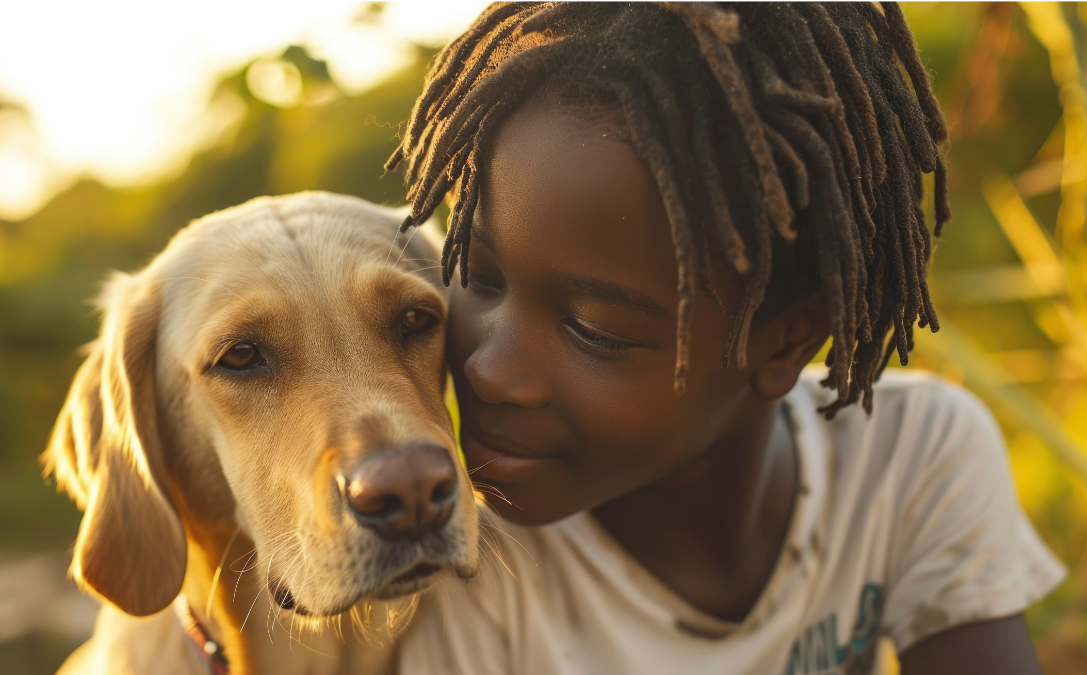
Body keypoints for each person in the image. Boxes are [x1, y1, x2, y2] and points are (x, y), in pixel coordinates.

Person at [384, 3, 1065, 674]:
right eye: (478, 276)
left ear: (787, 342)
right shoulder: (467, 568)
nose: (489, 370)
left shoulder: (907, 456)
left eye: (594, 330)